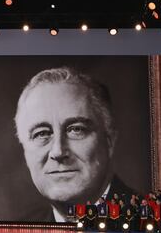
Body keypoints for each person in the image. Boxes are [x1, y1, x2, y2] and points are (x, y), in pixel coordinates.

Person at [13, 67, 136, 222]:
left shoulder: (156, 223)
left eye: (76, 130)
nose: (58, 152)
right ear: (25, 151)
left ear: (109, 140)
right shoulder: (19, 232)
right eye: (42, 133)